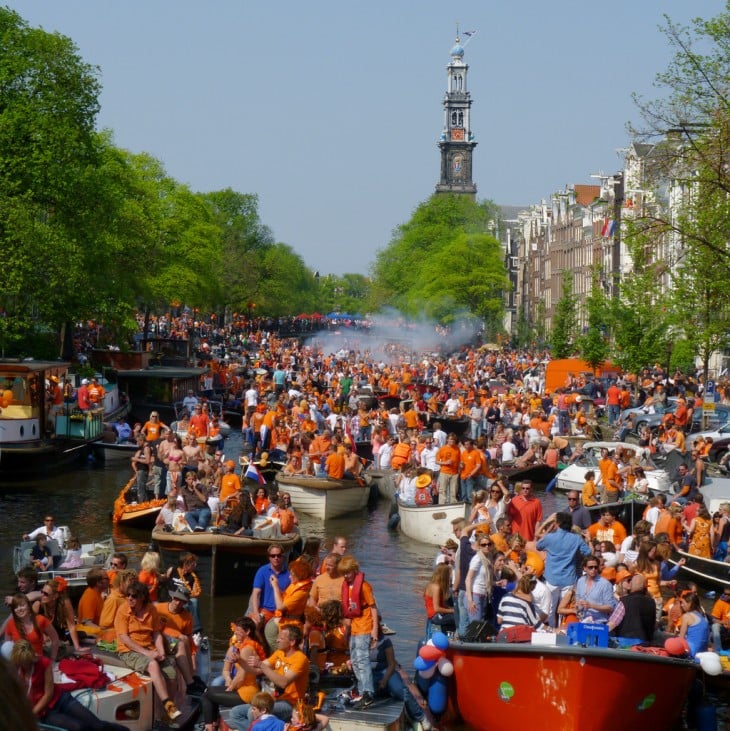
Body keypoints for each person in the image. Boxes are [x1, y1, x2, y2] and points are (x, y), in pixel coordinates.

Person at [10, 639, 127, 731]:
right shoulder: (14, 668)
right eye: (24, 663)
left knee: (97, 726)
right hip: (45, 712)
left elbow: (48, 694)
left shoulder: (43, 663)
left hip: (59, 699)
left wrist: (31, 713)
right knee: (79, 728)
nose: (26, 665)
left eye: (29, 662)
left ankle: (122, 730)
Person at [114, 580, 182, 722]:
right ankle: (168, 705)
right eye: (128, 595)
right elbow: (125, 638)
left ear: (142, 597)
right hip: (129, 651)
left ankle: (166, 716)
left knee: (172, 674)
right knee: (152, 664)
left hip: (149, 648)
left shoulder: (151, 609)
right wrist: (148, 653)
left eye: (133, 596)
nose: (129, 598)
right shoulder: (122, 610)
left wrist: (161, 650)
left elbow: (156, 633)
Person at [229, 624, 309, 725]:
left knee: (252, 712)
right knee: (236, 712)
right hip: (275, 700)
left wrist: (261, 665)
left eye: (281, 638)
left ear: (292, 642)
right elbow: (256, 670)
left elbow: (283, 682)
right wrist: (240, 661)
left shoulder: (300, 659)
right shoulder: (279, 653)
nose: (277, 640)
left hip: (291, 704)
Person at [369, 622, 432, 730]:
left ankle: (420, 717)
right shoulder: (360, 641)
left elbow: (392, 664)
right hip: (370, 675)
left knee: (402, 691)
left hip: (386, 672)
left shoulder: (385, 641)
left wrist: (384, 680)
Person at [536, 512, 592, 627]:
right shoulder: (576, 539)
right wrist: (588, 541)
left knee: (550, 610)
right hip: (569, 579)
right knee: (565, 610)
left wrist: (547, 528)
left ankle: (551, 632)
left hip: (552, 579)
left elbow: (538, 545)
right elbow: (588, 552)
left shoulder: (550, 537)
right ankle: (563, 632)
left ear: (557, 524)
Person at [339, 555, 378, 709]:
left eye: (348, 573)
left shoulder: (364, 586)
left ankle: (368, 692)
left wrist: (374, 629)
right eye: (344, 573)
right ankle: (361, 691)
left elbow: (373, 607)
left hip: (365, 625)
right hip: (354, 626)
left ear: (354, 571)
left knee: (362, 659)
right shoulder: (346, 586)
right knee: (354, 660)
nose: (345, 576)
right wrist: (347, 629)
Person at [155, 586, 206, 695]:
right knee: (182, 639)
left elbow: (190, 641)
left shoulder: (187, 617)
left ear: (185, 603)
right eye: (176, 599)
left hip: (173, 643)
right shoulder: (158, 608)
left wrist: (193, 661)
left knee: (184, 640)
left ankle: (191, 679)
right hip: (158, 638)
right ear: (172, 597)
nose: (178, 603)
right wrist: (177, 634)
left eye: (182, 601)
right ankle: (190, 682)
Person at [264, 558, 313, 650]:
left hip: (285, 626)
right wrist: (276, 586)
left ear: (299, 576)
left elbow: (280, 607)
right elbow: (284, 600)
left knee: (285, 653)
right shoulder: (295, 585)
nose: (289, 577)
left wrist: (275, 587)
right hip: (278, 625)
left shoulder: (301, 593)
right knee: (283, 654)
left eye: (292, 575)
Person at [34, 578, 90, 657]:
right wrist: (43, 635)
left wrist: (77, 647)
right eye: (42, 592)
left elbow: (71, 626)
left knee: (80, 636)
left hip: (58, 639)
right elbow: (31, 626)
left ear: (55, 596)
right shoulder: (37, 605)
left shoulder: (65, 604)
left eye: (46, 594)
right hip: (42, 640)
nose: (42, 595)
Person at [2, 593, 59, 661]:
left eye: (22, 605)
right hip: (19, 663)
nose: (19, 609)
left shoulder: (41, 620)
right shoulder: (10, 624)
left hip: (38, 661)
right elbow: (6, 647)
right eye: (16, 607)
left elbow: (55, 639)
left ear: (29, 606)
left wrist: (52, 659)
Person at [249, 546, 291, 635]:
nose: (276, 558)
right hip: (265, 610)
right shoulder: (262, 571)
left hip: (281, 612)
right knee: (252, 626)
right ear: (269, 557)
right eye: (273, 556)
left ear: (282, 557)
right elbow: (256, 593)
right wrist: (256, 613)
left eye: (279, 555)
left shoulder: (289, 574)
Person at [607, 574, 656, 642]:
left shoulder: (625, 601)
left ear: (631, 586)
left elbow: (612, 623)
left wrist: (599, 632)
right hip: (646, 644)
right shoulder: (652, 602)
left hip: (626, 644)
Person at [167, 552, 203, 634]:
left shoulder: (194, 576)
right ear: (186, 564)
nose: (195, 565)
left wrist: (187, 594)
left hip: (183, 600)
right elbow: (165, 582)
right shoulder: (172, 570)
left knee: (194, 601)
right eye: (193, 563)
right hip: (171, 598)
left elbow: (195, 594)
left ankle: (196, 631)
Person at [574, 556, 617, 624]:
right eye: (590, 567)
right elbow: (578, 599)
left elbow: (610, 608)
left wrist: (591, 606)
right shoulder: (580, 581)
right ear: (585, 568)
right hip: (583, 621)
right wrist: (578, 605)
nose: (593, 569)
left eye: (596, 567)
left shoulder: (605, 584)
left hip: (599, 623)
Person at [465, 536, 494, 624]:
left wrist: (496, 583)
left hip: (484, 595)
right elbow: (468, 579)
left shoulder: (488, 558)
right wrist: (470, 601)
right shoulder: (477, 559)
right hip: (475, 595)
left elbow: (484, 579)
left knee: (480, 625)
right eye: (484, 545)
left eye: (489, 544)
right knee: (475, 626)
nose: (487, 546)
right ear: (479, 546)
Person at [423, 564, 455, 634]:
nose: (450, 577)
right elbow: (437, 608)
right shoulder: (436, 588)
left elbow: (441, 604)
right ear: (444, 575)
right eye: (449, 574)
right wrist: (452, 610)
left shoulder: (431, 584)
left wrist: (451, 608)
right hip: (435, 616)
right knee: (457, 618)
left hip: (435, 615)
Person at [677, 592, 709, 657]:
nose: (682, 605)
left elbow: (681, 638)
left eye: (683, 603)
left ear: (690, 603)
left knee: (669, 641)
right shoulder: (704, 617)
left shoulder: (687, 616)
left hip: (691, 652)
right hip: (702, 652)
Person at [435, 433, 460, 504]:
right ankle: (442, 505)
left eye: (454, 440)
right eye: (451, 439)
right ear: (447, 439)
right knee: (443, 491)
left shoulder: (457, 449)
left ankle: (453, 505)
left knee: (454, 491)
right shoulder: (442, 449)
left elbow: (459, 461)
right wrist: (445, 463)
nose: (452, 441)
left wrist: (460, 466)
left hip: (454, 473)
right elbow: (436, 461)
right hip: (444, 472)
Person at [131, 436, 152, 504]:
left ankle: (142, 503)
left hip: (143, 470)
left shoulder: (146, 448)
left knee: (141, 488)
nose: (137, 443)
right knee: (141, 488)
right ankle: (145, 502)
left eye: (138, 441)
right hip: (140, 470)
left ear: (142, 440)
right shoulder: (142, 449)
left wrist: (136, 459)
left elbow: (148, 461)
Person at [709, 586, 730, 651]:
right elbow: (713, 620)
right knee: (715, 626)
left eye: (729, 594)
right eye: (725, 594)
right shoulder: (720, 602)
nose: (726, 596)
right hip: (724, 628)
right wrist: (723, 622)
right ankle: (718, 650)